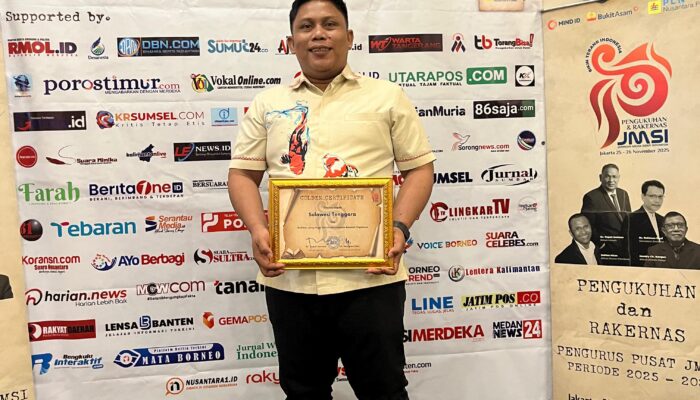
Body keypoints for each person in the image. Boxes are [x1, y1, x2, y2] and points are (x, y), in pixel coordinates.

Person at [227, 1, 435, 399]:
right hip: (292, 280)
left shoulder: (387, 97)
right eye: (306, 26)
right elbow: (242, 175)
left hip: (371, 277)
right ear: (291, 42)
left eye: (330, 24)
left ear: (349, 36)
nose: (318, 34)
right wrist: (257, 228)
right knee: (303, 391)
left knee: (384, 390)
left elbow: (419, 170)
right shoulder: (268, 103)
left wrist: (398, 227)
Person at [581, 163, 631, 265]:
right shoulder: (591, 197)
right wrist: (602, 244)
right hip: (607, 251)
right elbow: (587, 225)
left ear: (619, 178)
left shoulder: (623, 194)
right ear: (601, 177)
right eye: (607, 176)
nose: (611, 180)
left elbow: (629, 219)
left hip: (626, 248)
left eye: (614, 177)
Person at [623, 180, 665, 266]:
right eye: (652, 196)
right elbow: (627, 250)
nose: (657, 200)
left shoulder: (663, 219)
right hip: (641, 268)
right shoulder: (631, 218)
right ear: (643, 197)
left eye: (660, 197)